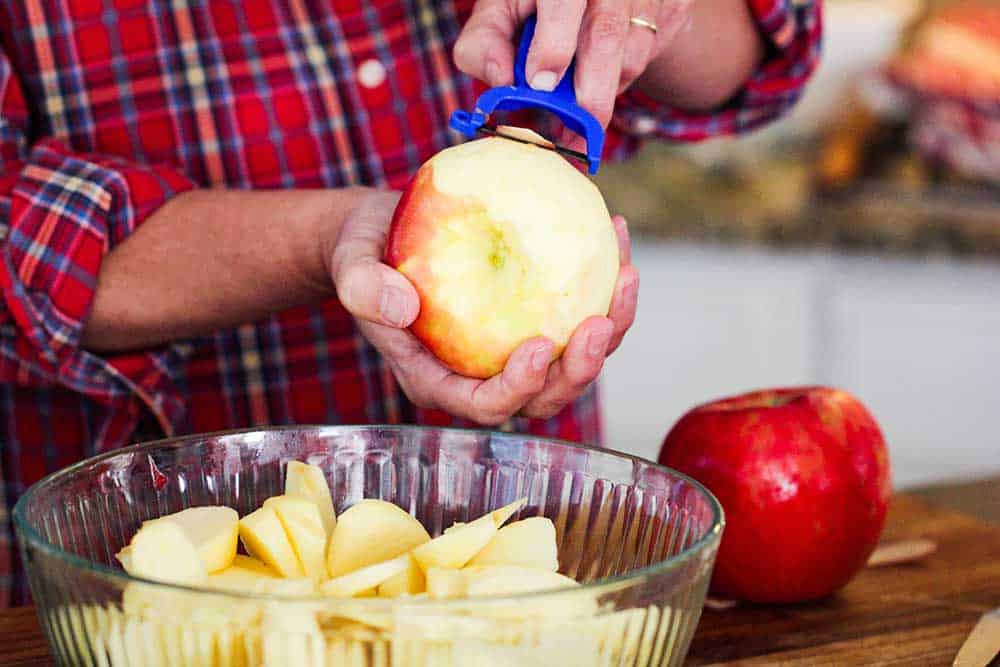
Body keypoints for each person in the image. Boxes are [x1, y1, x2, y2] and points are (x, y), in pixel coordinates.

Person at [0, 0, 821, 605]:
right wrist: (326, 241)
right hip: (137, 575)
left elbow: (761, 48)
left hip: (521, 558)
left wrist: (652, 18)